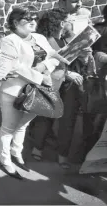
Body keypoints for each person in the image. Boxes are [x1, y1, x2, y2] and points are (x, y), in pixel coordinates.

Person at [0, 5, 66, 179]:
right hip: (14, 91)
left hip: (37, 92)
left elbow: (53, 56)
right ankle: (5, 159)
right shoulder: (9, 40)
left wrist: (44, 66)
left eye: (34, 18)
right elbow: (15, 66)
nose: (33, 22)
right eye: (28, 19)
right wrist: (40, 76)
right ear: (15, 22)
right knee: (8, 127)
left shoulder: (40, 37)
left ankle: (16, 154)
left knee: (23, 125)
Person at [30, 9, 71, 166]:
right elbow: (48, 66)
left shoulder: (63, 41)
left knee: (58, 119)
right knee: (44, 117)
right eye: (69, 21)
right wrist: (68, 74)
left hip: (62, 85)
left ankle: (43, 148)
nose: (70, 23)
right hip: (51, 84)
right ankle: (38, 148)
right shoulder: (47, 42)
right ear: (61, 23)